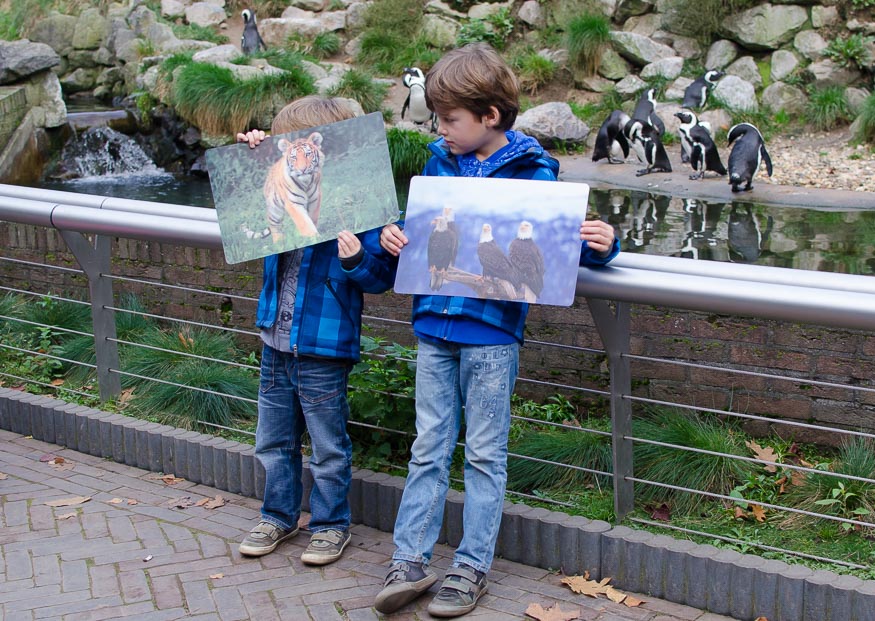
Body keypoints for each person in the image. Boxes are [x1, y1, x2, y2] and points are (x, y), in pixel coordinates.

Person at [373, 43, 619, 617]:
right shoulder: (437, 161)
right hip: (435, 326)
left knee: (484, 453)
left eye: (450, 118)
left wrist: (603, 246)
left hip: (490, 335)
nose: (440, 127)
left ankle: (470, 567)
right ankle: (409, 559)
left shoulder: (535, 168)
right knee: (428, 447)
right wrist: (395, 238)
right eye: (437, 116)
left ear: (490, 115)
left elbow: (558, 250)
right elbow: (424, 237)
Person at [235, 96, 396, 566]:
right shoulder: (282, 184)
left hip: (325, 345)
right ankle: (278, 515)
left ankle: (330, 525)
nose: (294, 153)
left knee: (328, 445)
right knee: (273, 437)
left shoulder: (358, 205)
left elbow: (381, 278)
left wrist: (356, 259)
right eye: (285, 145)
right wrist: (251, 152)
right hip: (274, 338)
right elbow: (244, 209)